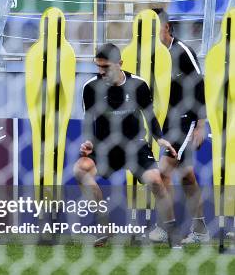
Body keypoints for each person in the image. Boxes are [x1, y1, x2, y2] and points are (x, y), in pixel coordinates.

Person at [73, 43, 180, 247]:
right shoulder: (91, 87)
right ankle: (104, 226)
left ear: (120, 64)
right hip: (105, 147)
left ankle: (172, 231)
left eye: (106, 67)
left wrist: (159, 138)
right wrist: (88, 141)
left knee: (156, 181)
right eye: (98, 67)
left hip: (135, 146)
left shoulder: (138, 84)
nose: (101, 72)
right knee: (80, 170)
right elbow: (89, 121)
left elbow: (149, 115)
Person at [150, 8, 208, 244]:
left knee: (162, 172)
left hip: (185, 119)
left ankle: (165, 228)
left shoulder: (182, 51)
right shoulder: (150, 56)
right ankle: (201, 231)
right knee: (186, 176)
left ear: (166, 27)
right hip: (165, 121)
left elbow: (199, 84)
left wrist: (201, 123)